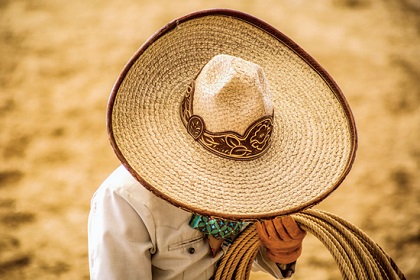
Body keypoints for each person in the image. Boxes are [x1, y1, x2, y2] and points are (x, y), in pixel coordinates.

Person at [88, 9, 357, 280]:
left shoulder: (262, 185)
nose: (236, 186)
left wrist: (280, 252)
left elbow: (251, 250)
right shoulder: (125, 200)